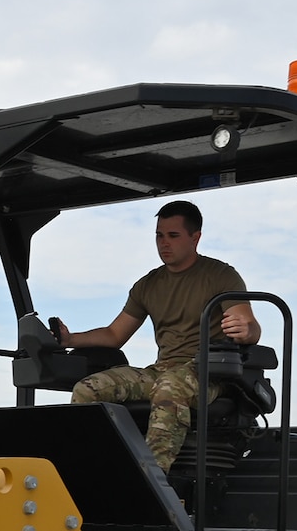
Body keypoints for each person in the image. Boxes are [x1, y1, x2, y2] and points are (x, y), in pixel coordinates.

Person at [53, 200, 259, 479]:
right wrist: (69, 338)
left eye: (173, 236)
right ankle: (88, 472)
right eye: (159, 236)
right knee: (88, 388)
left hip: (208, 373)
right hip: (162, 371)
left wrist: (246, 330)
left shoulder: (221, 276)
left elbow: (248, 325)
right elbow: (115, 335)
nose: (164, 243)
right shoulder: (148, 285)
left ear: (195, 238)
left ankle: (151, 481)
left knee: (170, 387)